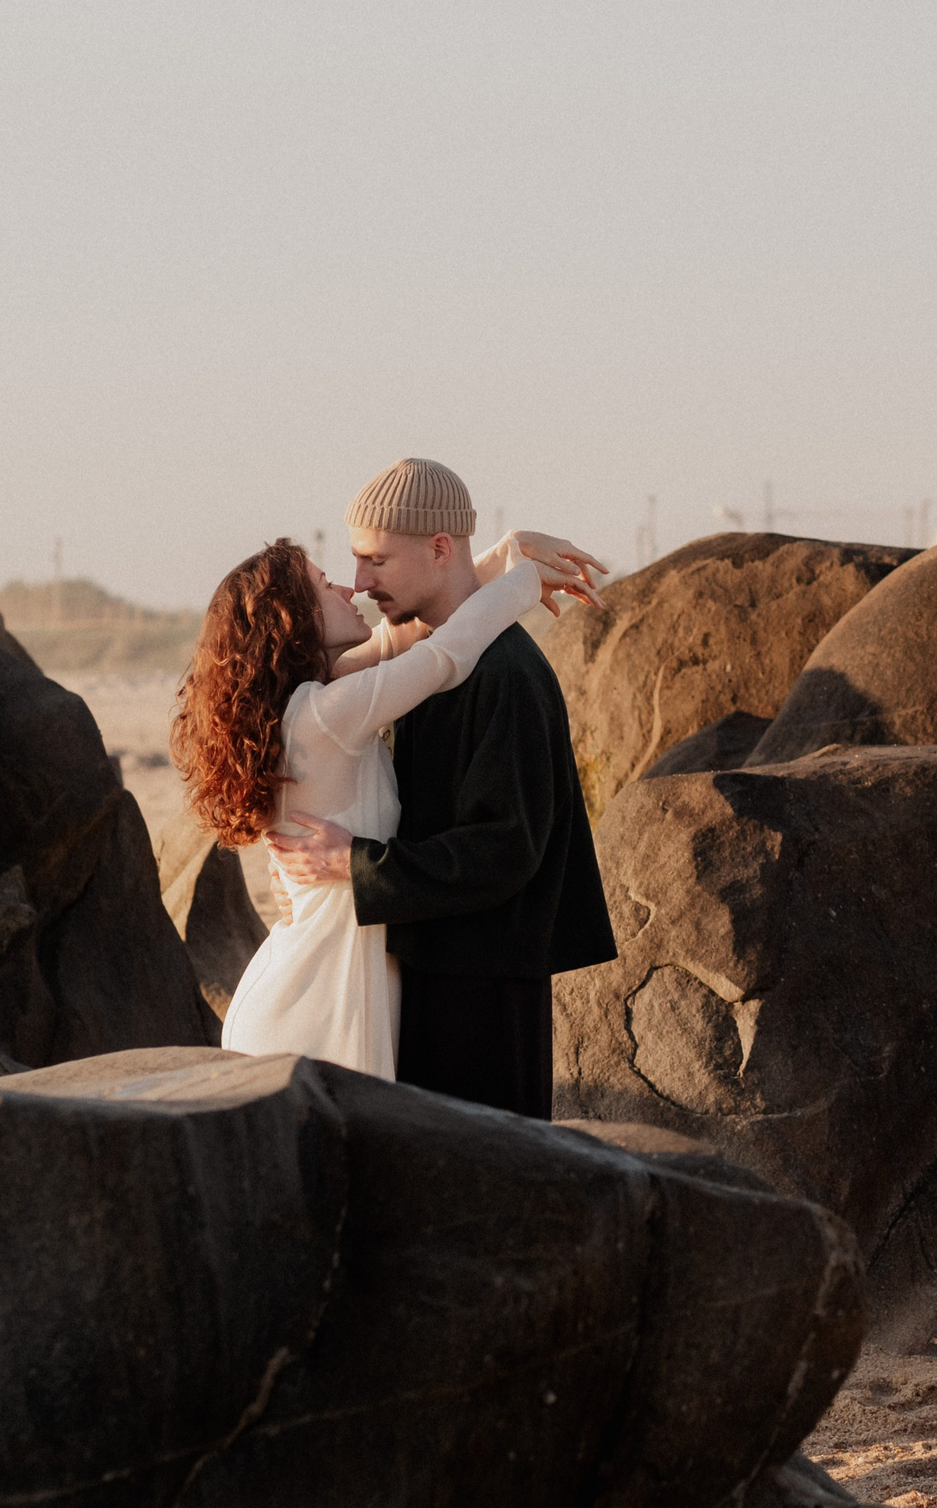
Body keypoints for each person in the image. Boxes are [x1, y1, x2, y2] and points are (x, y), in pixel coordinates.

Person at [171, 507, 603, 1080]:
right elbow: (445, 654)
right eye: (326, 585)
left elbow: (406, 631)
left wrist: (502, 554)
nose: (351, 586)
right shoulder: (325, 715)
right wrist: (523, 581)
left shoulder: (314, 701)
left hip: (324, 974)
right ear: (293, 620)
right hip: (321, 991)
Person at [268, 458, 618, 1119]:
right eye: (353, 563)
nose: (361, 582)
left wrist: (354, 862)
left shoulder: (506, 672)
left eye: (375, 561)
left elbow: (505, 848)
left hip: (484, 996)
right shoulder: (424, 660)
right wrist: (506, 560)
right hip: (427, 972)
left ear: (436, 548)